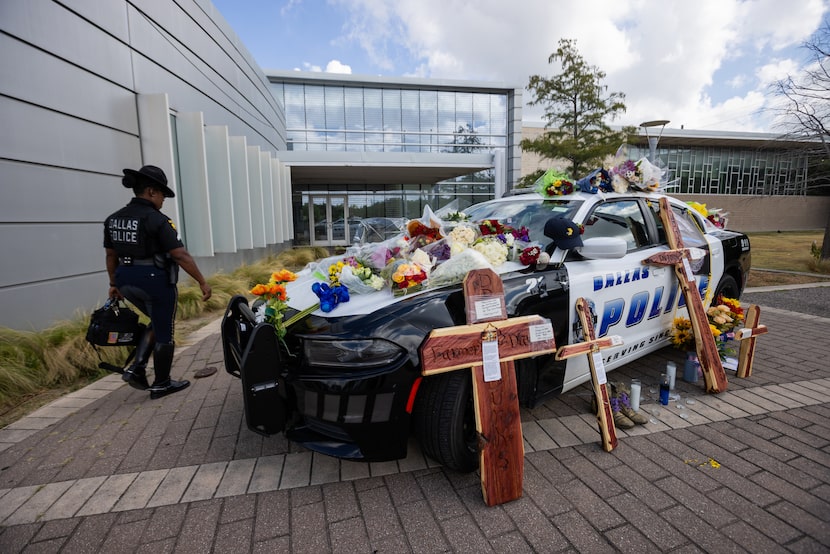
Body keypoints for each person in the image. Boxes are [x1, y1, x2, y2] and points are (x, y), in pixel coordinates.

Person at [104, 165, 212, 399]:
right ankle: (162, 383)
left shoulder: (113, 219)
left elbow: (111, 255)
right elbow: (179, 255)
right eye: (162, 194)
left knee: (157, 320)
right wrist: (202, 282)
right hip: (153, 281)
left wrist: (113, 283)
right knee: (164, 331)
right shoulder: (157, 220)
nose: (163, 199)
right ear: (151, 191)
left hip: (124, 279)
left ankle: (137, 368)